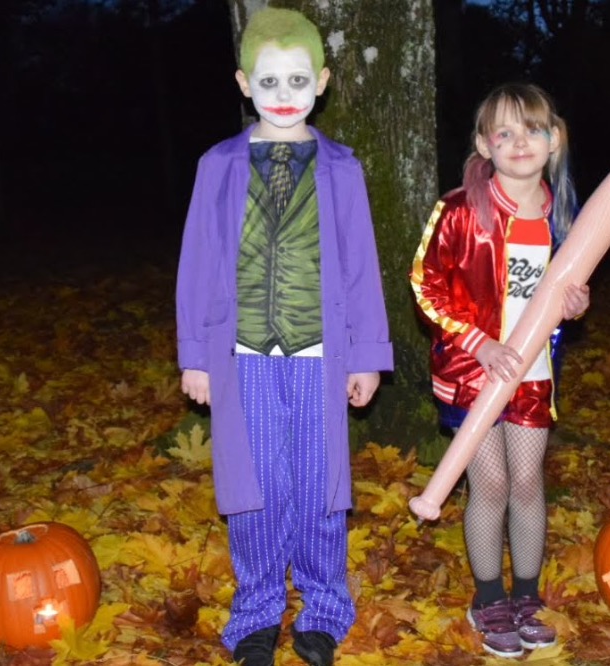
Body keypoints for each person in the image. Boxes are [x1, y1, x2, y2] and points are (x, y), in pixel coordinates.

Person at [175, 8, 392, 666]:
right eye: (269, 82)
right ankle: (258, 611)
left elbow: (359, 268)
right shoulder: (217, 166)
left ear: (322, 82)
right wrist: (195, 357)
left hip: (320, 354)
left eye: (298, 80)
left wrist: (367, 356)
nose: (284, 95)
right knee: (254, 489)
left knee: (320, 484)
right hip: (241, 357)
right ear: (244, 84)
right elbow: (197, 262)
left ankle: (325, 607)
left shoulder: (341, 170)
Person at [409, 83, 590, 659]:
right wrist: (479, 343)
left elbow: (560, 289)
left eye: (532, 129)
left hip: (534, 373)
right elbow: (427, 284)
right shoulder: (462, 208)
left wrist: (576, 303)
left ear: (554, 139)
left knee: (528, 483)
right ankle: (488, 597)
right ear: (484, 144)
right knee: (488, 483)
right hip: (474, 372)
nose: (519, 142)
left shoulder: (563, 212)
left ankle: (527, 596)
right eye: (504, 132)